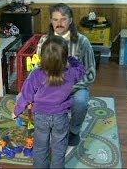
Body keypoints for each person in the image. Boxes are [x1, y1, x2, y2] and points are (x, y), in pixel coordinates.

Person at [14, 35, 86, 168]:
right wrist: (71, 59)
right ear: (64, 59)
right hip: (60, 117)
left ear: (42, 57)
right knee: (59, 149)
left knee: (40, 147)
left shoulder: (37, 74)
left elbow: (26, 95)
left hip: (41, 116)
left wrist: (17, 110)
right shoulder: (71, 73)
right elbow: (82, 69)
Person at [36, 3, 96, 146]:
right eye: (55, 19)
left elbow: (91, 73)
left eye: (63, 19)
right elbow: (38, 68)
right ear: (51, 21)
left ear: (70, 20)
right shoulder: (44, 40)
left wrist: (70, 88)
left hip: (75, 86)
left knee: (81, 100)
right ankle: (47, 126)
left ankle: (74, 130)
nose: (59, 23)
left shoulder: (82, 41)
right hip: (50, 84)